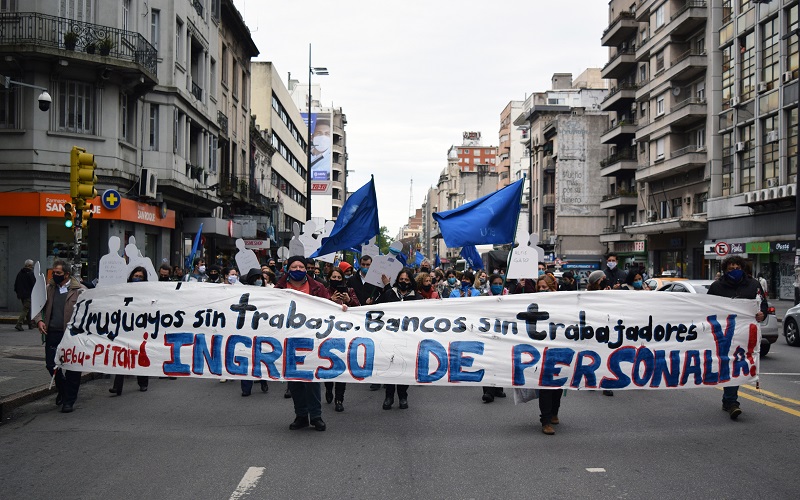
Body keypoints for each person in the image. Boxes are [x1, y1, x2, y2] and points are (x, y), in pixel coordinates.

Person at [708, 255, 768, 420]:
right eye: (731, 269)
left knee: (739, 363)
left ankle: (729, 401)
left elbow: (762, 304)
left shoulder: (754, 285)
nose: (735, 271)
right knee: (729, 364)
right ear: (725, 270)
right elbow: (706, 308)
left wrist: (761, 313)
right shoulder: (716, 287)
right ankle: (731, 402)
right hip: (725, 333)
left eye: (737, 268)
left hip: (745, 333)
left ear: (743, 268)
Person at [275, 255, 331, 431]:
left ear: (306, 269)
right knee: (294, 381)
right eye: (294, 267)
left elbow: (329, 307)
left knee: (311, 379)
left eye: (301, 267)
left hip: (311, 338)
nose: (298, 270)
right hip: (288, 338)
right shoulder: (279, 288)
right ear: (287, 269)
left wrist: (340, 307)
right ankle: (301, 415)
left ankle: (316, 416)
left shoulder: (317, 287)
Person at [33, 260, 85, 413]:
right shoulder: (48, 289)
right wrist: (39, 321)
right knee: (51, 365)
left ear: (67, 274)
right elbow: (37, 307)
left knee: (72, 368)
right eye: (53, 272)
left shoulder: (80, 290)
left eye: (58, 273)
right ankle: (62, 390)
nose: (54, 275)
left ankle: (69, 401)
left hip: (72, 335)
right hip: (53, 333)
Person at [376, 268, 421, 409]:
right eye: (401, 279)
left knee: (404, 367)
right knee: (390, 366)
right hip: (390, 336)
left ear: (411, 281)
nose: (404, 282)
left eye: (407, 280)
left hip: (408, 338)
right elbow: (378, 309)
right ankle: (389, 396)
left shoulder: (417, 298)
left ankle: (403, 396)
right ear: (397, 280)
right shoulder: (389, 294)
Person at [323, 267, 360, 412]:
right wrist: (330, 301)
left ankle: (339, 398)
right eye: (334, 277)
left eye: (339, 278)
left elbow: (358, 307)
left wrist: (349, 300)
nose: (336, 280)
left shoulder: (349, 291)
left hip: (345, 334)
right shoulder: (325, 291)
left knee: (341, 366)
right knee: (328, 364)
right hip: (328, 333)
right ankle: (328, 388)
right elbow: (317, 307)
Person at [109, 267, 150, 396]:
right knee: (122, 353)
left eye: (140, 276)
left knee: (140, 354)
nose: (137, 278)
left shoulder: (147, 292)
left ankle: (143, 382)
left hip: (140, 327)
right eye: (135, 275)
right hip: (125, 325)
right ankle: (117, 386)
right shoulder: (124, 290)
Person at [534, 274, 563, 435]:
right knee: (546, 386)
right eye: (540, 287)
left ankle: (554, 412)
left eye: (545, 287)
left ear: (553, 287)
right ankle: (545, 420)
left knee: (558, 385)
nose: (542, 290)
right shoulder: (534, 303)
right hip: (541, 350)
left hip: (558, 349)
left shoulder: (562, 304)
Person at [240, 268, 269, 396]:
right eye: (256, 278)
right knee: (246, 358)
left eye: (260, 278)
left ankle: (263, 380)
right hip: (247, 329)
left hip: (261, 328)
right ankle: (246, 388)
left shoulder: (268, 293)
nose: (258, 281)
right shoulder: (243, 293)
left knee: (260, 357)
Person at [14, 259, 36, 331]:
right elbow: (34, 284)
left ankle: (30, 324)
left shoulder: (20, 273)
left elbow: (16, 284)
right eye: (32, 265)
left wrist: (18, 292)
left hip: (21, 295)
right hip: (28, 294)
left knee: (27, 309)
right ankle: (19, 324)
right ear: (30, 265)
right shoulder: (30, 273)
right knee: (26, 309)